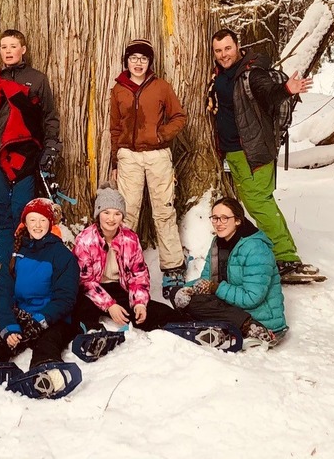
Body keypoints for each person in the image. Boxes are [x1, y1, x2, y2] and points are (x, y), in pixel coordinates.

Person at [205, 28, 319, 283]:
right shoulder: (221, 74)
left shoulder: (251, 73)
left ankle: (286, 258)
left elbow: (268, 93)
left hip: (252, 151)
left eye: (228, 48)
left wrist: (287, 90)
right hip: (234, 152)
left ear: (238, 46)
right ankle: (282, 252)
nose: (223, 55)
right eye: (218, 50)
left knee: (258, 202)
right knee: (258, 201)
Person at [108, 39, 189, 298]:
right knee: (127, 213)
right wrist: (115, 160)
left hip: (157, 156)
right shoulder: (118, 90)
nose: (139, 63)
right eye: (134, 58)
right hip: (128, 157)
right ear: (127, 61)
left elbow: (180, 117)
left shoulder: (161, 87)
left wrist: (160, 135)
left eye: (143, 58)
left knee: (163, 211)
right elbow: (115, 128)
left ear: (149, 62)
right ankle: (125, 266)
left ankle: (173, 267)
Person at [0, 29, 61, 266]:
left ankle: (21, 256)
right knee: (2, 207)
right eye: (4, 47)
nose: (8, 51)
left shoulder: (37, 79)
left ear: (23, 49)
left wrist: (51, 146)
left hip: (26, 153)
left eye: (13, 46)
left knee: (23, 208)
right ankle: (3, 260)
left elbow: (49, 116)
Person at [0, 198, 78, 369]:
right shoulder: (16, 252)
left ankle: (46, 371)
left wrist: (42, 320)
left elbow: (66, 297)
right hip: (23, 316)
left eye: (42, 220)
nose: (37, 225)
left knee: (48, 343)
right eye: (32, 220)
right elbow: (3, 292)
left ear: (50, 223)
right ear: (25, 222)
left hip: (52, 319)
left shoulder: (62, 255)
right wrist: (9, 326)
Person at [71, 189, 182, 355]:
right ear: (98, 213)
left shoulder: (129, 238)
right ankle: (94, 336)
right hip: (92, 290)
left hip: (118, 287)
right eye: (106, 212)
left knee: (150, 311)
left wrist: (139, 302)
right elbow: (85, 281)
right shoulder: (85, 240)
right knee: (83, 310)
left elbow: (138, 274)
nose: (111, 218)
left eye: (117, 213)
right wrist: (110, 305)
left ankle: (183, 327)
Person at [173, 196, 286, 348]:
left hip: (259, 316)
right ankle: (221, 329)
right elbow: (206, 278)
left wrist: (216, 288)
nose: (218, 223)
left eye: (225, 218)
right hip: (230, 306)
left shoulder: (256, 249)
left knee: (198, 305)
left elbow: (252, 298)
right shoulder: (218, 243)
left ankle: (250, 327)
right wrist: (188, 289)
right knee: (176, 293)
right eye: (215, 218)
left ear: (238, 220)